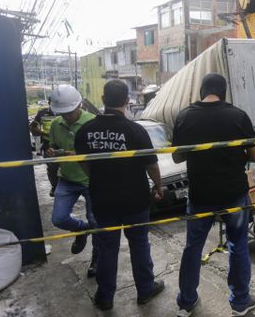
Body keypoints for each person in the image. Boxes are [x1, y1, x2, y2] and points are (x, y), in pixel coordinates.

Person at [172, 73, 255, 317]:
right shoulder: (238, 116)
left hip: (200, 195)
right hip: (234, 194)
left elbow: (177, 156)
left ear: (202, 91)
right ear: (223, 91)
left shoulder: (185, 116)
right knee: (238, 245)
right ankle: (241, 302)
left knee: (193, 247)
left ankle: (186, 302)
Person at [75, 80, 165, 311]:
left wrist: (100, 179)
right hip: (135, 199)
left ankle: (105, 297)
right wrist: (158, 186)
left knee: (107, 248)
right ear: (127, 101)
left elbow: (86, 167)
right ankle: (145, 290)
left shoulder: (85, 132)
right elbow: (152, 165)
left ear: (103, 100)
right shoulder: (136, 130)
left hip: (103, 200)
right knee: (139, 244)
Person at [47, 85, 98, 277]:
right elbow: (52, 145)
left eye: (69, 112)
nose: (66, 116)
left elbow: (99, 154)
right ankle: (82, 230)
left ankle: (97, 260)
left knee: (96, 221)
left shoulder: (92, 123)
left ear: (79, 105)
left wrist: (75, 154)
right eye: (63, 113)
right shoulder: (55, 125)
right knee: (58, 218)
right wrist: (51, 151)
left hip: (90, 180)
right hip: (67, 179)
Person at [29, 97, 59, 197]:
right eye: (53, 102)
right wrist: (45, 133)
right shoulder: (42, 113)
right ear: (49, 103)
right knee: (52, 167)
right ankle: (55, 187)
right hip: (48, 144)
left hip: (62, 143)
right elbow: (32, 127)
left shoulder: (65, 111)